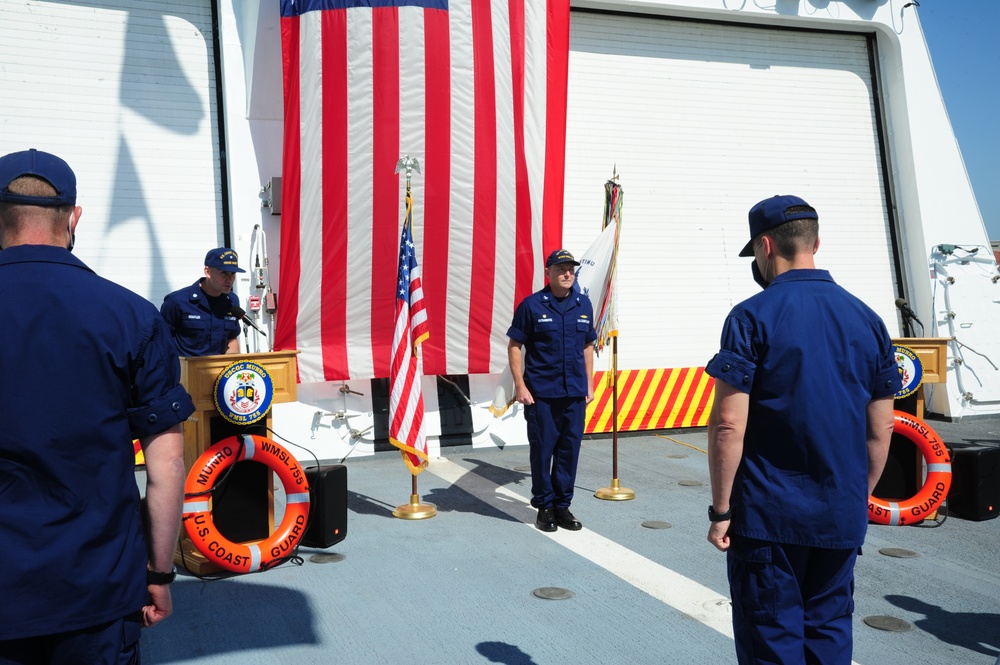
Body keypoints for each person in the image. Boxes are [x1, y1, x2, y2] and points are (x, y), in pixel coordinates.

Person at [0, 148, 195, 663]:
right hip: (95, 587)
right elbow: (168, 464)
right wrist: (158, 573)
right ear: (74, 217)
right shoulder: (130, 316)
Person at [705, 195, 900, 664]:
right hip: (839, 515)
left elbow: (728, 425)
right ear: (816, 242)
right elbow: (882, 428)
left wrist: (721, 510)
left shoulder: (750, 317)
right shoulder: (867, 320)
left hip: (771, 519)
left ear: (766, 245)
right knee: (830, 634)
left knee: (772, 639)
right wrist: (854, 495)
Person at [507, 249, 596, 532]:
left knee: (569, 450)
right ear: (548, 273)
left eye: (570, 269)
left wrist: (589, 384)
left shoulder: (583, 304)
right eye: (560, 269)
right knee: (544, 450)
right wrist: (520, 385)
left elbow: (587, 346)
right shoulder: (532, 306)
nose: (567, 273)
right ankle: (544, 506)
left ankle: (562, 506)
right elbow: (514, 346)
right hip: (542, 394)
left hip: (574, 394)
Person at [160, 246, 246, 356]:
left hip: (219, 370)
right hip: (186, 370)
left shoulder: (232, 301)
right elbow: (160, 340)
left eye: (232, 274)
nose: (229, 279)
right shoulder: (177, 301)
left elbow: (232, 339)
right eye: (224, 273)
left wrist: (230, 366)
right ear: (208, 272)